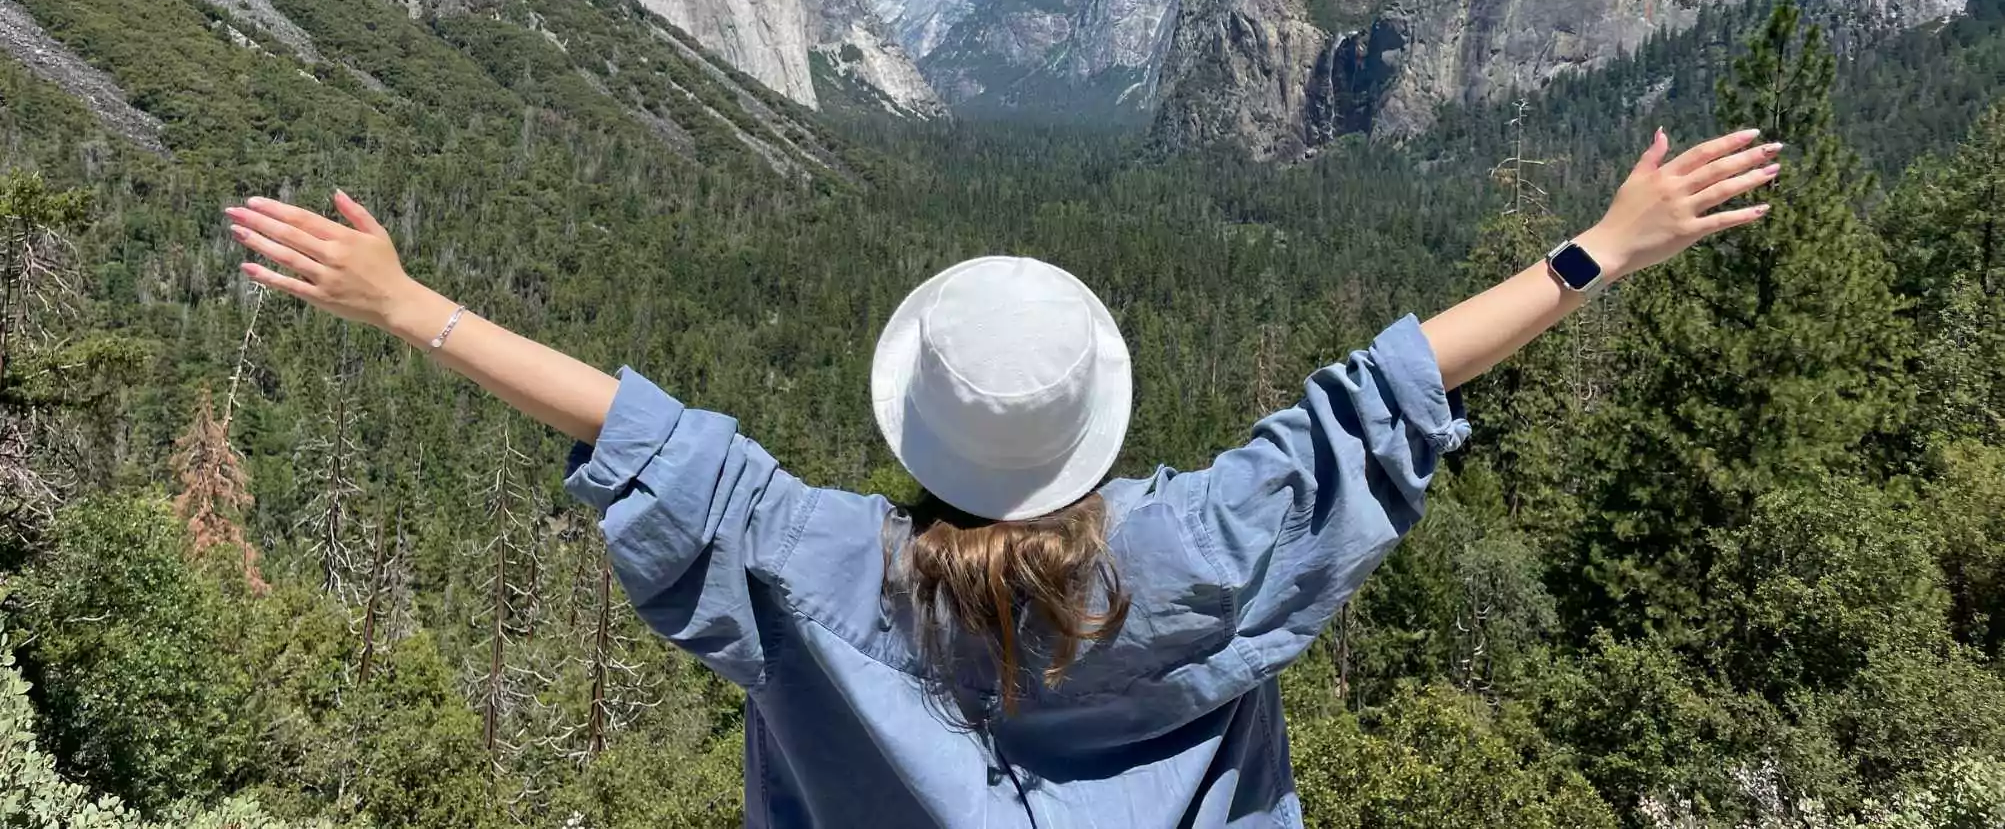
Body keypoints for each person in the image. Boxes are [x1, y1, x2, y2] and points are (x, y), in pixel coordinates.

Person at [226, 126, 1780, 827]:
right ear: (1092, 425)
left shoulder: (815, 567)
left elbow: (653, 434)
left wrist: (405, 303)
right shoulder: (1192, 549)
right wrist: (1604, 245)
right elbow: (1382, 393)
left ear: (922, 431)